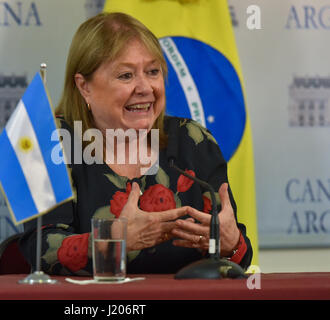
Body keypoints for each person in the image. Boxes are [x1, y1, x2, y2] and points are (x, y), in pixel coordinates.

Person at [19, 12, 252, 275]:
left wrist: (231, 245)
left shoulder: (193, 141)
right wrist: (115, 238)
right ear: (84, 86)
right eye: (126, 76)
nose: (145, 87)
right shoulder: (52, 145)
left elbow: (238, 258)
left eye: (153, 72)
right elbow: (41, 251)